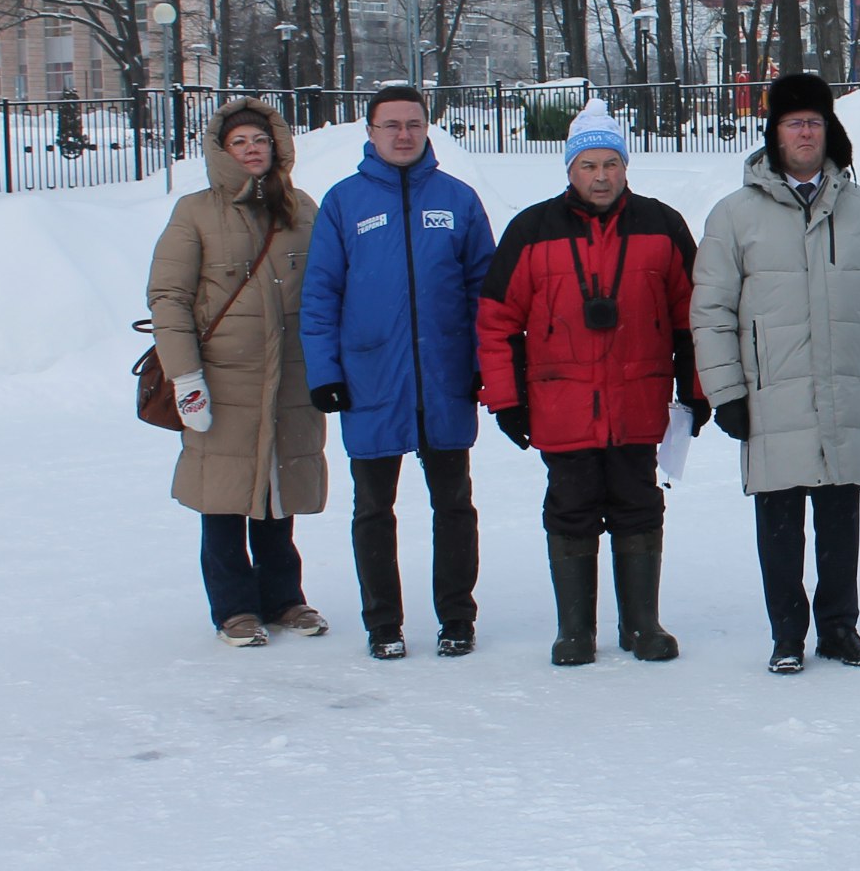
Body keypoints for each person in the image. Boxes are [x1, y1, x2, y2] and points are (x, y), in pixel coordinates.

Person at [693, 73, 860, 674]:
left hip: (844, 386)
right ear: (774, 132)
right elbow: (710, 310)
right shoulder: (735, 215)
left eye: (814, 121)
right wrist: (726, 392)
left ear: (829, 131)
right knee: (780, 519)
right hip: (773, 392)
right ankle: (787, 633)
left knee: (841, 517)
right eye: (793, 122)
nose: (804, 132)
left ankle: (840, 629)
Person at [477, 101, 706, 666]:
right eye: (588, 165)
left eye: (611, 164)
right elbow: (497, 319)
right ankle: (575, 630)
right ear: (569, 170)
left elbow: (693, 316)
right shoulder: (530, 230)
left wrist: (696, 390)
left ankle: (641, 624)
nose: (601, 176)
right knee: (571, 508)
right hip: (562, 403)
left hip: (638, 399)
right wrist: (506, 400)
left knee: (638, 504)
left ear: (626, 167)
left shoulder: (662, 224)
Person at [300, 85, 496, 660]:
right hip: (371, 380)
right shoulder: (344, 203)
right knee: (372, 508)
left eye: (413, 123)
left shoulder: (458, 200)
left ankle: (457, 617)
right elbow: (320, 296)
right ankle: (383, 623)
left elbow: (485, 293)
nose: (403, 134)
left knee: (454, 504)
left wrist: (486, 367)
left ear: (428, 127)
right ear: (370, 132)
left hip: (444, 379)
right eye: (391, 125)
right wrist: (325, 373)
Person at [147, 98, 330, 647]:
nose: (253, 151)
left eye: (261, 141)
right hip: (222, 381)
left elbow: (326, 291)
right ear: (221, 152)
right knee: (223, 497)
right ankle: (234, 609)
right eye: (240, 143)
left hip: (291, 378)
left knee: (278, 490)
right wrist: (185, 377)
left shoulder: (300, 209)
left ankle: (283, 599)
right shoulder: (195, 212)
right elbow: (169, 298)